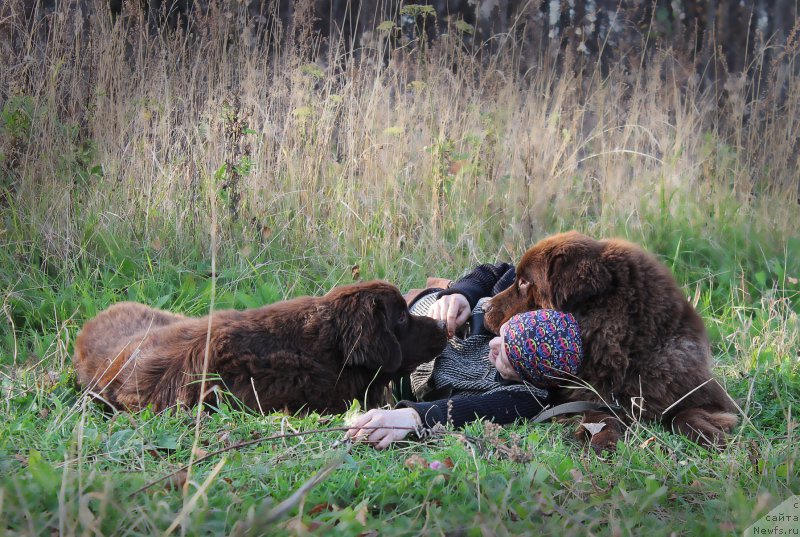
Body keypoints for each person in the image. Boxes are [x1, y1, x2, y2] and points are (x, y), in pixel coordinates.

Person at [346, 263, 584, 449]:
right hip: (405, 312)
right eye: (503, 333)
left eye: (506, 356)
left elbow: (474, 408)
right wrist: (460, 294)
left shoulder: (525, 397)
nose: (493, 344)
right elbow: (493, 272)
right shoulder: (511, 306)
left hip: (394, 374)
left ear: (524, 376)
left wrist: (414, 416)